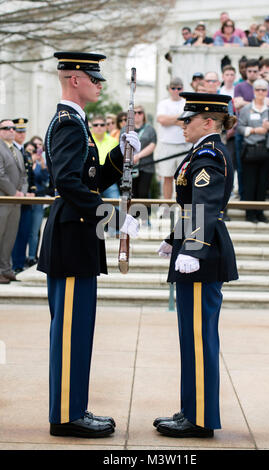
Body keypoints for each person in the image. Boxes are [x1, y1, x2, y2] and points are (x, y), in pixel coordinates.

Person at [37, 51, 140, 438]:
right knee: (69, 332)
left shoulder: (76, 123)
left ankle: (74, 407)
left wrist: (118, 154)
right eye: (93, 78)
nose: (99, 84)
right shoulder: (68, 123)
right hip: (72, 238)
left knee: (79, 330)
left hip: (78, 237)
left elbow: (90, 177)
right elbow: (68, 182)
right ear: (74, 79)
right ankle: (65, 416)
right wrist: (112, 217)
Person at [154, 92, 238, 438]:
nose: (182, 124)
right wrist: (175, 240)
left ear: (208, 122)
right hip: (197, 250)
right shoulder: (202, 152)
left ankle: (200, 417)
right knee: (191, 337)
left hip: (203, 257)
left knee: (199, 337)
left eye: (188, 120)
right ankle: (192, 408)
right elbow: (192, 207)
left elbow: (206, 204)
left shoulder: (208, 154)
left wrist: (192, 249)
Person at [237, 78, 269, 223]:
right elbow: (240, 128)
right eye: (258, 89)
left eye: (263, 90)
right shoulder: (246, 110)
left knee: (262, 184)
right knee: (250, 182)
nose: (261, 92)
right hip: (250, 150)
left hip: (266, 150)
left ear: (267, 92)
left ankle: (260, 212)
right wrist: (254, 130)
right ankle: (250, 213)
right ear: (254, 92)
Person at [234, 59, 269, 200]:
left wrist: (246, 103)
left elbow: (267, 103)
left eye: (255, 71)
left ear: (259, 71)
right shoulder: (239, 86)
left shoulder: (266, 85)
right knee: (242, 169)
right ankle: (244, 198)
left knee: (262, 174)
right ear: (245, 71)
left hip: (263, 141)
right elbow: (237, 105)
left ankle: (257, 204)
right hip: (243, 135)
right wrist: (255, 103)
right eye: (249, 71)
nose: (252, 73)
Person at [0, 120, 28, 284]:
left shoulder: (16, 151)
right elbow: (0, 175)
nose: (11, 130)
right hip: (3, 200)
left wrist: (22, 193)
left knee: (10, 237)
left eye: (13, 128)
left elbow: (24, 175)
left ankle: (6, 269)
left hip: (15, 201)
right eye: (6, 128)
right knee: (1, 236)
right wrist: (13, 192)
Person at [155, 77, 191, 199]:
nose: (176, 90)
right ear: (169, 89)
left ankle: (181, 205)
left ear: (182, 89)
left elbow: (187, 121)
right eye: (173, 88)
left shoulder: (186, 103)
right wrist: (179, 119)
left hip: (184, 145)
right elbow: (161, 120)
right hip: (167, 145)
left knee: (182, 178)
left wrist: (171, 119)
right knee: (167, 177)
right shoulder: (163, 103)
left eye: (179, 88)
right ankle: (166, 206)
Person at [11, 118, 37, 274]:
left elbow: (30, 175)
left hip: (26, 198)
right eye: (18, 131)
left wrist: (32, 190)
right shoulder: (11, 150)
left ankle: (19, 263)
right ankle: (13, 264)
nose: (21, 134)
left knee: (24, 232)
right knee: (13, 233)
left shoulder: (25, 152)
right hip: (14, 197)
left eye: (23, 131)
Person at [27, 142, 49, 266]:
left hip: (38, 198)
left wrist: (42, 164)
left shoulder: (41, 163)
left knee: (35, 231)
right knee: (24, 230)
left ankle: (31, 256)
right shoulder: (27, 162)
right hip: (26, 199)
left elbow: (45, 179)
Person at [132, 105, 157, 201]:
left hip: (146, 166)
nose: (137, 115)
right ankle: (133, 216)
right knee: (132, 193)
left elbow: (152, 145)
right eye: (134, 113)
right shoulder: (126, 128)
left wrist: (138, 156)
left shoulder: (150, 129)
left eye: (140, 112)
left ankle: (144, 215)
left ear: (143, 115)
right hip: (131, 166)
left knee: (143, 193)